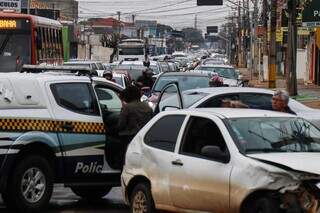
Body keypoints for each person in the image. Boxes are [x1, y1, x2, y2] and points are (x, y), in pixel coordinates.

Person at [117, 85, 153, 167]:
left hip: (128, 138)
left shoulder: (127, 108)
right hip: (144, 139)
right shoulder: (147, 107)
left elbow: (121, 125)